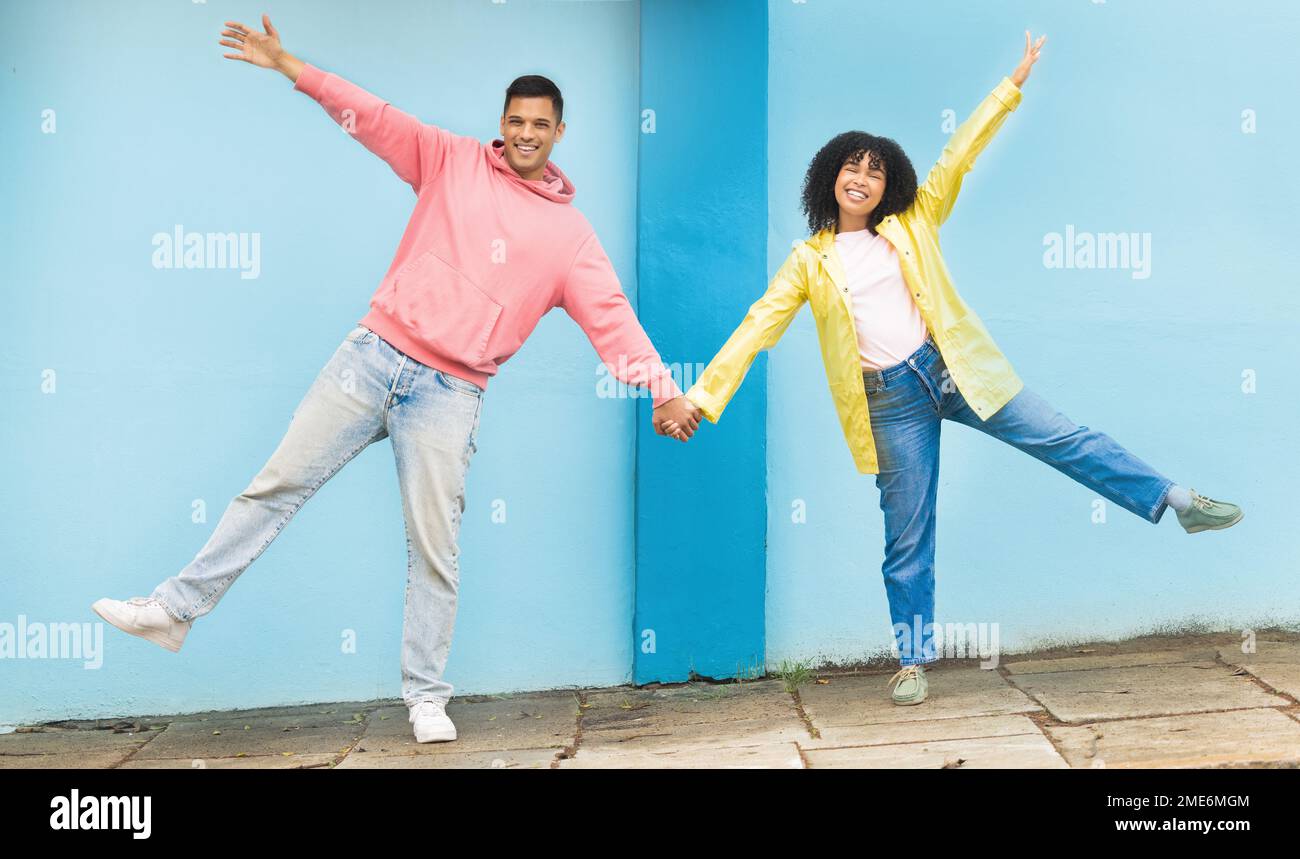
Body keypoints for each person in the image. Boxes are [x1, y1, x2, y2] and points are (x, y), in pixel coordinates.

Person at [92, 14, 703, 745]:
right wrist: (290, 65)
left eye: (541, 124)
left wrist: (661, 387)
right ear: (501, 124)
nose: (526, 134)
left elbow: (612, 318)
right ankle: (172, 610)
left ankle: (425, 696)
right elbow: (373, 118)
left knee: (434, 547)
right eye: (516, 121)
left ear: (559, 132)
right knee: (274, 484)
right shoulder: (450, 160)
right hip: (371, 354)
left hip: (450, 392)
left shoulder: (571, 239)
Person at [666, 31, 1243, 707]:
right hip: (888, 402)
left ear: (890, 185)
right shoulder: (809, 259)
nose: (862, 178)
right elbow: (759, 323)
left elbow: (957, 156)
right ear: (830, 177)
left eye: (875, 170)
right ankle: (911, 660)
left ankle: (1177, 498)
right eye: (851, 167)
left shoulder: (913, 221)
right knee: (907, 532)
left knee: (1064, 437)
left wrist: (1012, 84)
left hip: (954, 370)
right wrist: (701, 398)